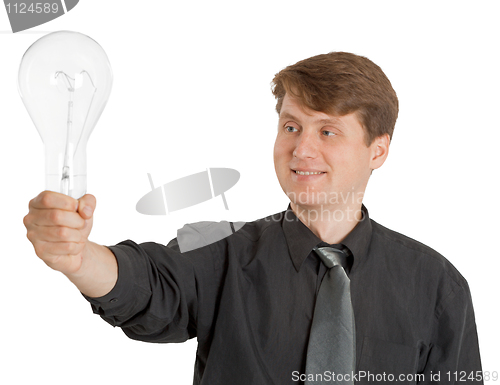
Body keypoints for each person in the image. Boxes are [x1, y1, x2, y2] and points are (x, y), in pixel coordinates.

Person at [24, 52, 482, 384]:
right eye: (290, 126)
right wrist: (77, 255)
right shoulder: (221, 251)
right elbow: (146, 287)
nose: (301, 149)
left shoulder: (437, 286)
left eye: (327, 130)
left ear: (377, 149)